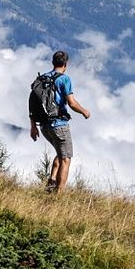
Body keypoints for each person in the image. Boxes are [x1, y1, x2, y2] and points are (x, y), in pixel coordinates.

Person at [29, 50, 91, 193]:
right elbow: (71, 103)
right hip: (59, 125)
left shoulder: (42, 79)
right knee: (66, 158)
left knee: (60, 152)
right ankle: (59, 194)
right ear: (66, 64)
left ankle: (51, 182)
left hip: (44, 126)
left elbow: (32, 103)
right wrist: (84, 112)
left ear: (52, 63)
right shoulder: (64, 79)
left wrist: (33, 126)